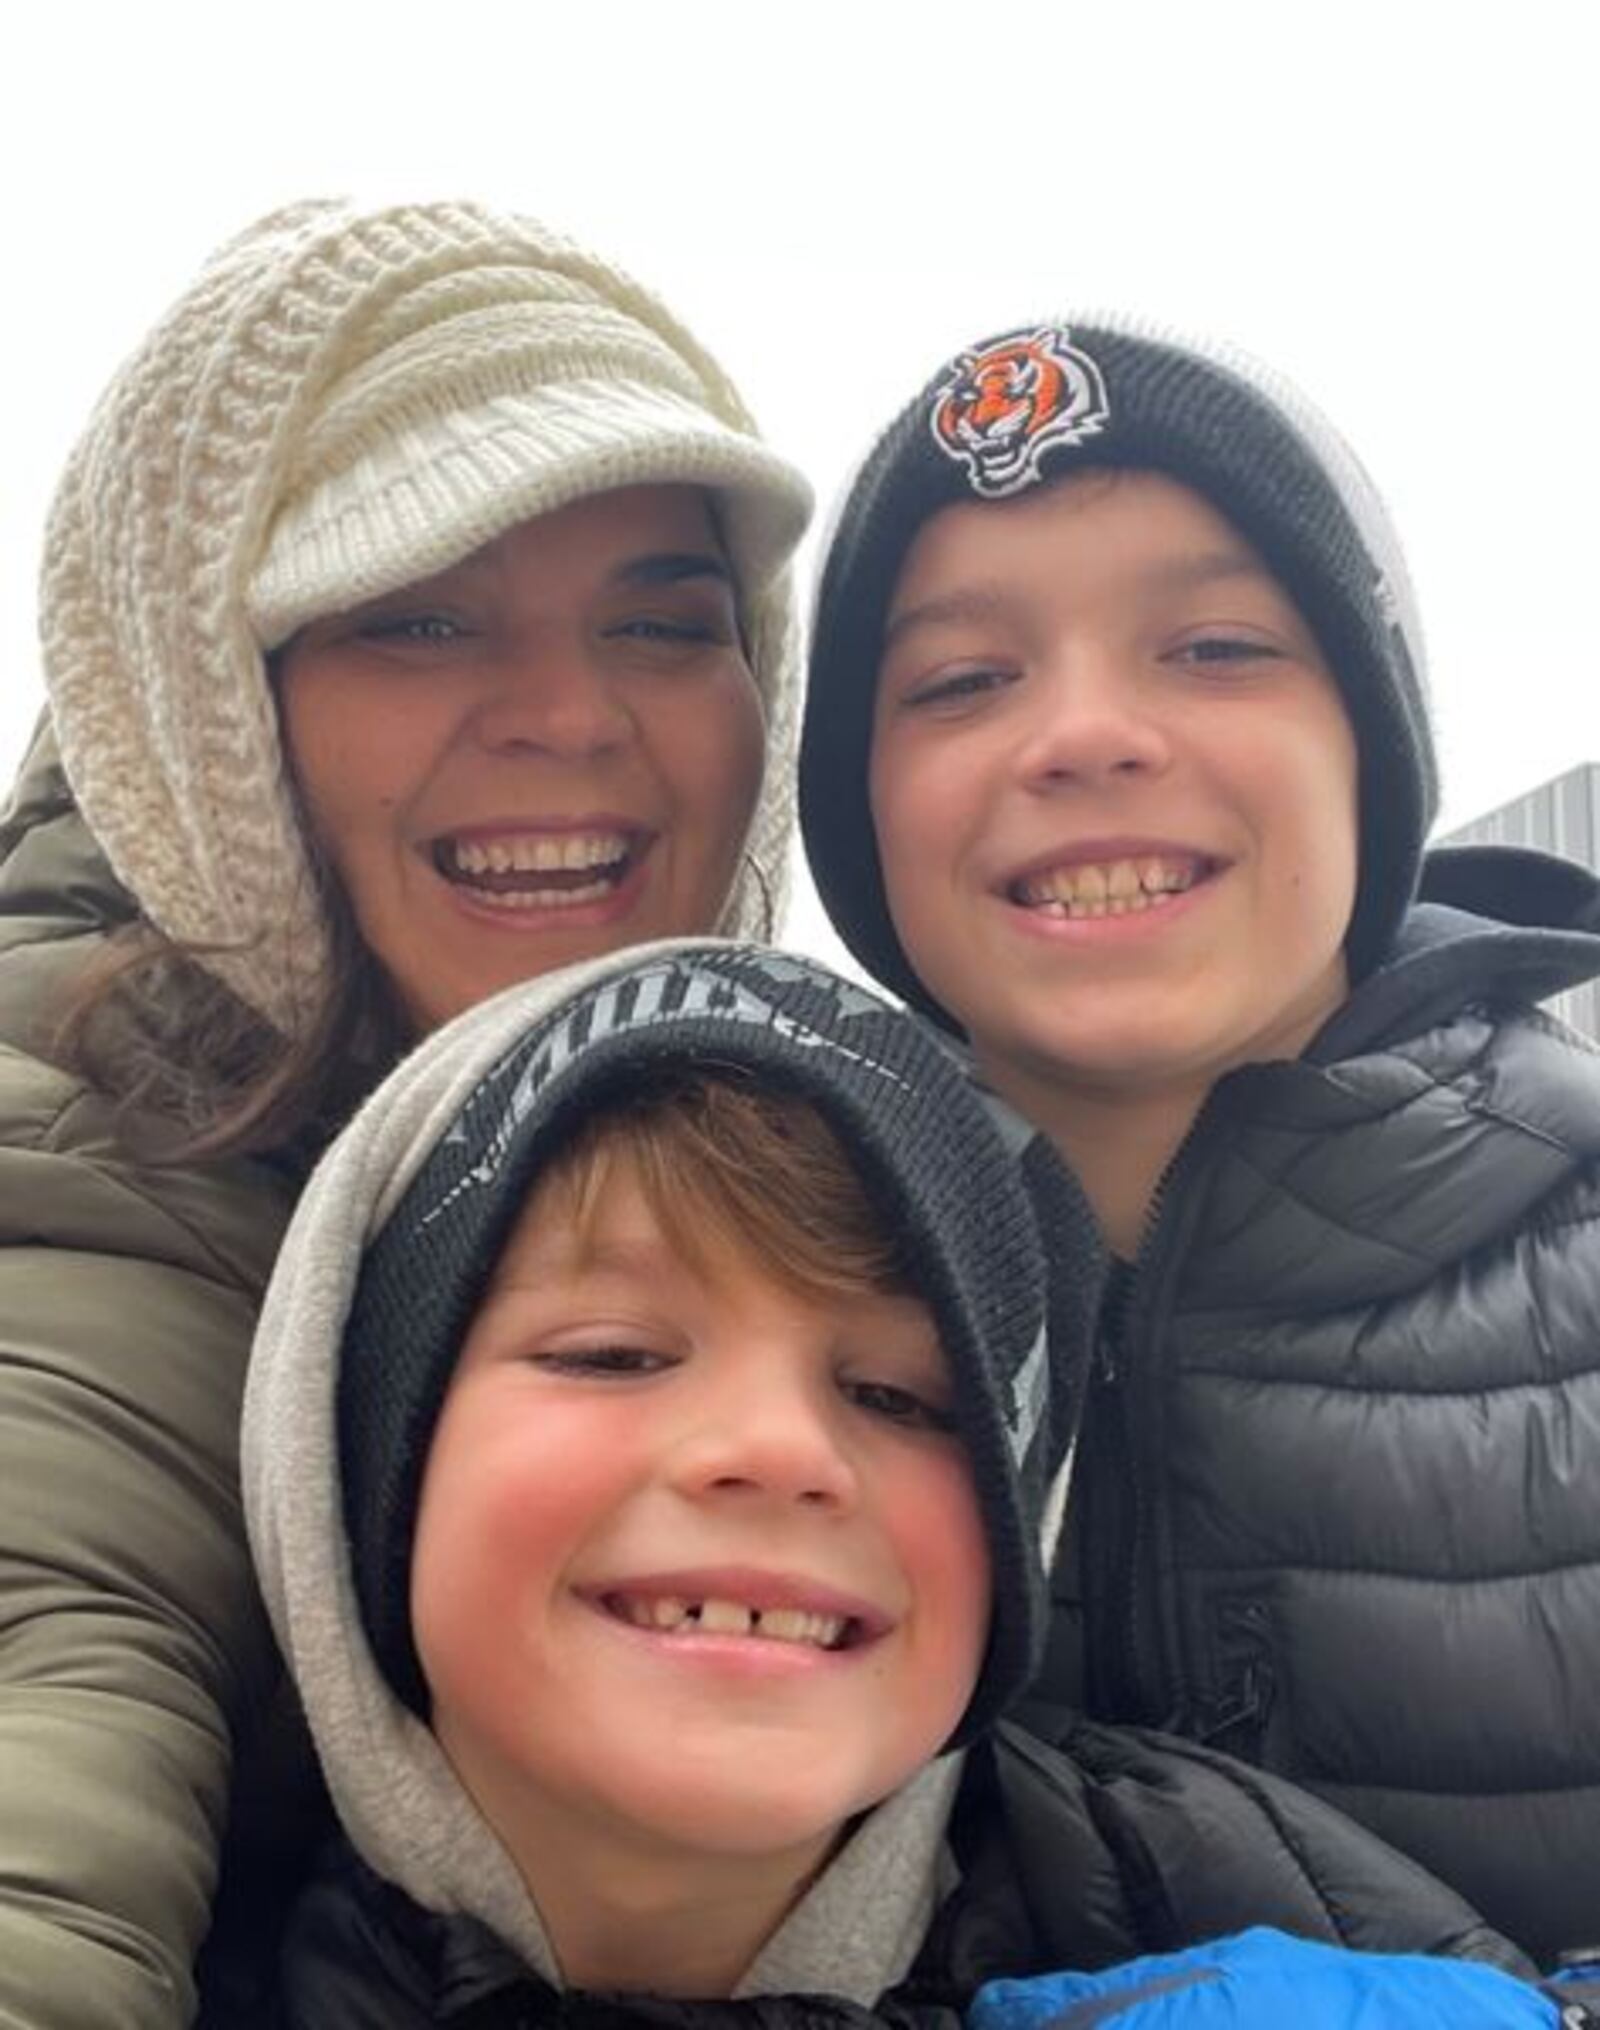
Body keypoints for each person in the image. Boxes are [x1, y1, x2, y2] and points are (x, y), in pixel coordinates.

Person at [0, 197, 810, 2027]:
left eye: (663, 622)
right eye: (418, 616)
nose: (569, 713)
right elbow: (57, 1676)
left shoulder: (715, 1143)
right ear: (214, 706)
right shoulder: (94, 1158)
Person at [242, 937, 1555, 2025]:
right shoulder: (130, 1946)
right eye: (614, 1353)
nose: (781, 1451)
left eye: (899, 1397)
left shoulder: (1284, 1947)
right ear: (357, 1457)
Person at [799, 317, 1600, 1968]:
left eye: (1218, 648)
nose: (1083, 734)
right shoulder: (721, 1315)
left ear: (1370, 753)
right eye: (962, 680)